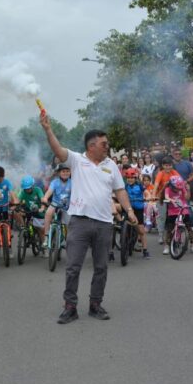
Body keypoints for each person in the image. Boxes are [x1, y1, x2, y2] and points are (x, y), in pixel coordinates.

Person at [41, 112, 138, 325]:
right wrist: (48, 129)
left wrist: (129, 210)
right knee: (73, 266)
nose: (107, 146)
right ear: (91, 145)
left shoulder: (111, 165)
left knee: (101, 267)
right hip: (79, 222)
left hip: (104, 223)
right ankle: (70, 307)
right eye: (104, 144)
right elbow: (57, 149)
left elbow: (120, 190)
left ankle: (96, 304)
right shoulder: (77, 160)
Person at [41, 164, 72, 251]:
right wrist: (45, 198)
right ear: (59, 173)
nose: (65, 173)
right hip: (55, 204)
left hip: (67, 207)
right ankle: (46, 237)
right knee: (48, 213)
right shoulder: (54, 182)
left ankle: (67, 240)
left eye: (67, 171)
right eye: (63, 171)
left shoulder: (72, 183)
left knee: (69, 223)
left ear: (70, 172)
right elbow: (49, 191)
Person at [17, 175, 48, 256]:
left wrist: (42, 207)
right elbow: (18, 201)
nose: (27, 190)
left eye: (29, 188)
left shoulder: (38, 190)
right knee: (19, 214)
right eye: (26, 188)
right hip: (28, 210)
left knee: (41, 229)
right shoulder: (22, 192)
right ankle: (23, 229)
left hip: (38, 211)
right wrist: (15, 206)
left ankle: (44, 248)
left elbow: (42, 199)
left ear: (33, 186)